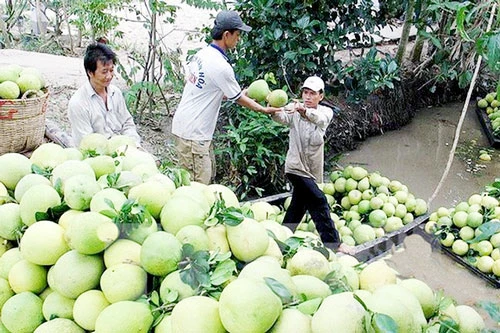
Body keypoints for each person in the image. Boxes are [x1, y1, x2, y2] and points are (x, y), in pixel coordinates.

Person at [171, 10, 282, 184]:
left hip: (188, 128)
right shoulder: (220, 65)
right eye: (237, 35)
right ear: (226, 35)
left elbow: (209, 91)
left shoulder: (202, 54)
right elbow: (237, 98)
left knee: (204, 179)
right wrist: (262, 109)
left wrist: (241, 93)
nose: (238, 39)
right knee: (196, 186)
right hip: (193, 133)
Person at [271, 76, 353, 253]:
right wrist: (271, 107)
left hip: (312, 170)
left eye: (312, 94)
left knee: (298, 204)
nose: (307, 97)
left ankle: (283, 236)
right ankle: (333, 243)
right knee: (319, 199)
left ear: (320, 96)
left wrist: (303, 111)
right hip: (295, 166)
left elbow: (319, 120)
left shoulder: (325, 113)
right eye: (305, 93)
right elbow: (280, 118)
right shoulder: (294, 111)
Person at [68, 42, 141, 147]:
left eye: (111, 70)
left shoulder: (116, 93)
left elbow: (127, 123)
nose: (109, 76)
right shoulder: (78, 103)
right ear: (90, 72)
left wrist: (133, 144)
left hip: (122, 149)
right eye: (104, 71)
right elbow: (87, 144)